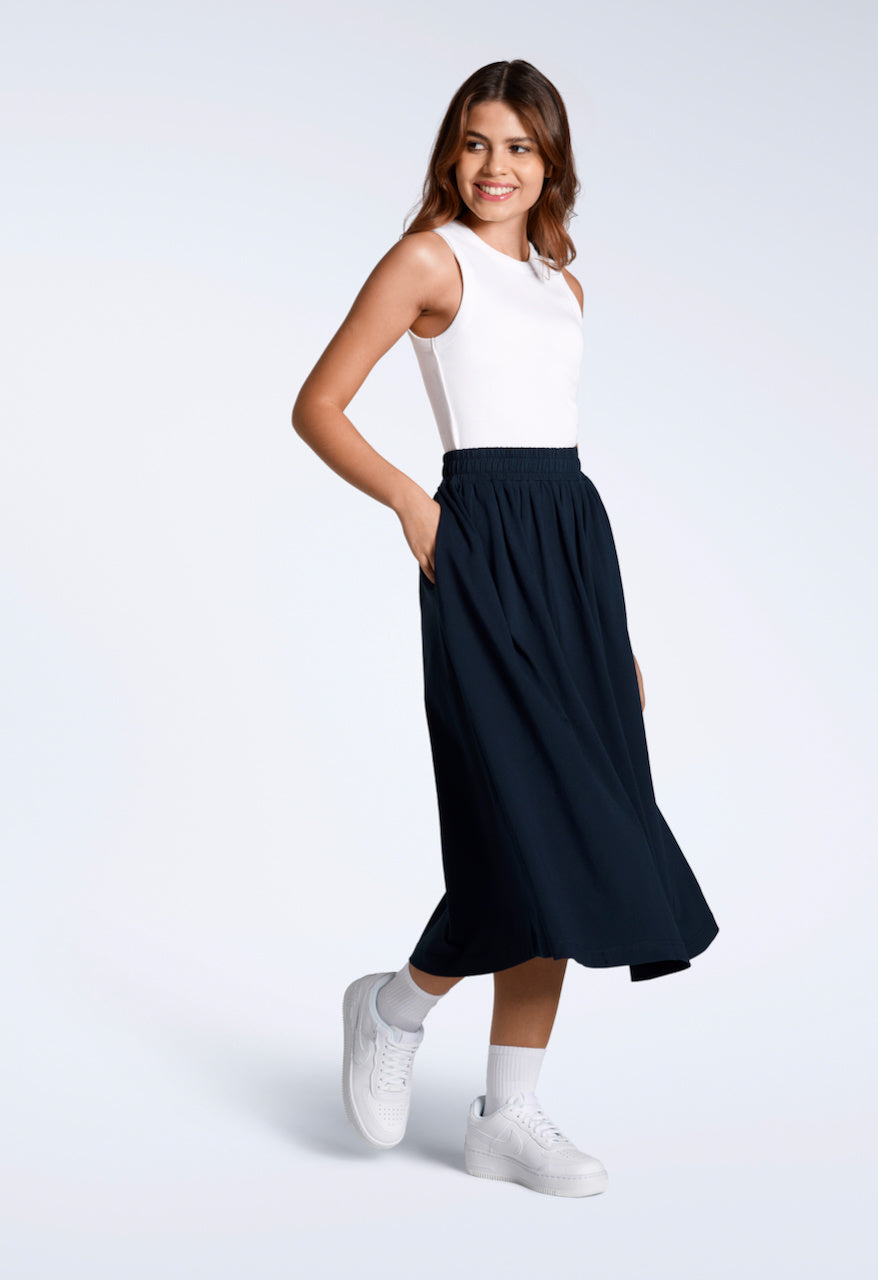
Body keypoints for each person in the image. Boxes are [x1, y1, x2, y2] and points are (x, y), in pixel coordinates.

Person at [291, 59, 719, 1198]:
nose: (496, 166)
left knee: (577, 827)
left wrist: (610, 633)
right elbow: (317, 405)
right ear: (452, 151)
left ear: (550, 163)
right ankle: (394, 1007)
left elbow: (555, 445)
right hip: (479, 542)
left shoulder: (561, 283)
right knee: (521, 824)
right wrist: (414, 504)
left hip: (573, 549)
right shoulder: (428, 260)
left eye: (520, 147)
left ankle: (506, 1114)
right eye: (478, 142)